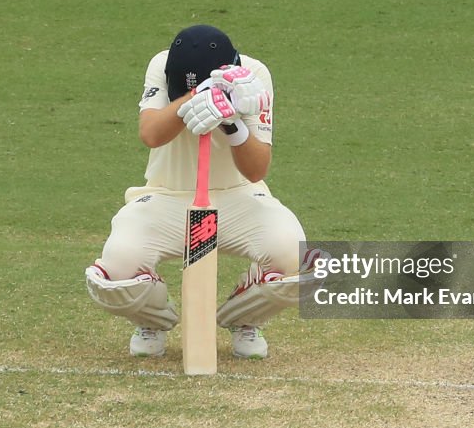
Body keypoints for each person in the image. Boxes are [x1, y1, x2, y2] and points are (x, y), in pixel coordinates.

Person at [84, 25, 318, 360]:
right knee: (115, 270)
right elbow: (150, 133)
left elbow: (256, 170)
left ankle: (244, 319)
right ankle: (153, 320)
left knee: (295, 260)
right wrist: (196, 98)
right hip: (167, 196)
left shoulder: (253, 75)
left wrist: (232, 122)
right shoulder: (163, 64)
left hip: (239, 196)